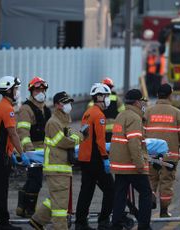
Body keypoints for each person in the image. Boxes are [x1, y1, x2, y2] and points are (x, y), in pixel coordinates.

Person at [30, 91, 85, 230]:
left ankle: (37, 221)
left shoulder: (63, 122)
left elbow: (73, 135)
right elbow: (64, 141)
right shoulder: (54, 122)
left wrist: (79, 135)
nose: (68, 105)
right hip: (57, 168)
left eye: (69, 102)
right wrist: (81, 136)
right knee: (60, 206)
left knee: (57, 199)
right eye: (64, 102)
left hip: (61, 168)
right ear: (57, 105)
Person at [109, 89, 152, 230]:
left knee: (120, 195)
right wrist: (140, 164)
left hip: (120, 165)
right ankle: (144, 225)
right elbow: (134, 143)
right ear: (137, 102)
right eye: (142, 101)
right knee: (146, 194)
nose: (143, 104)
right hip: (131, 165)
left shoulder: (121, 115)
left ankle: (116, 224)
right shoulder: (135, 117)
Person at [143, 83, 180, 217]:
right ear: (170, 95)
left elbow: (141, 133)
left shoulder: (148, 111)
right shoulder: (176, 113)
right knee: (166, 183)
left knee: (151, 180)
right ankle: (163, 211)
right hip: (170, 156)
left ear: (157, 95)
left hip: (151, 156)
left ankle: (149, 200)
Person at [75, 83, 114, 230]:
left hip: (85, 158)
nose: (107, 99)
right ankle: (104, 221)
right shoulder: (99, 115)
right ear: (99, 97)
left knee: (86, 191)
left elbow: (84, 135)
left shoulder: (88, 112)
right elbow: (100, 140)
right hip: (96, 159)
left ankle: (80, 222)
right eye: (106, 96)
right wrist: (105, 158)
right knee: (111, 189)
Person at [0, 76, 30, 230]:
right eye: (15, 89)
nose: (17, 92)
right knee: (1, 190)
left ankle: (3, 221)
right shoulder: (7, 109)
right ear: (8, 90)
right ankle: (3, 223)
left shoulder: (0, 106)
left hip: (0, 154)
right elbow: (13, 134)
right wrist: (22, 154)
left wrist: (11, 153)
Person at [16, 76, 51, 218]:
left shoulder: (46, 109)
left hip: (44, 150)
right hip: (33, 151)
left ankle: (21, 208)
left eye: (42, 89)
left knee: (33, 179)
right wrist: (29, 150)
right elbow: (23, 131)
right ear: (31, 91)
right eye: (37, 90)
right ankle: (29, 209)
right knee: (35, 180)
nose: (40, 92)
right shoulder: (26, 108)